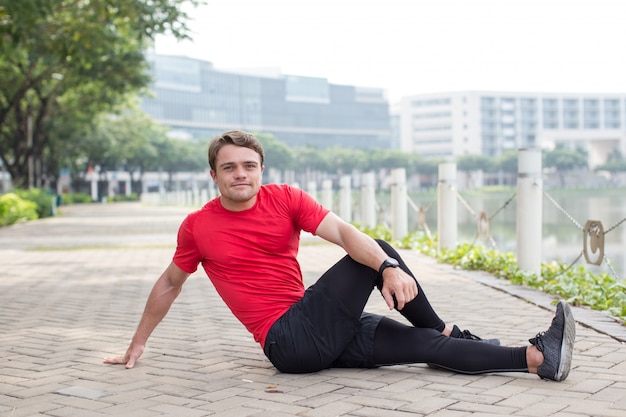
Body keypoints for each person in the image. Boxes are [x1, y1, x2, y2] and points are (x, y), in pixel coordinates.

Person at [104, 130, 576, 382]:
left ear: (261, 169)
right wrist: (138, 343)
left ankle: (536, 359)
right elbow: (169, 283)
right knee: (377, 256)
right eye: (229, 167)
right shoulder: (197, 226)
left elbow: (344, 232)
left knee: (424, 346)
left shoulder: (285, 197)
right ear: (214, 174)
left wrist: (386, 268)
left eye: (249, 165)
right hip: (287, 341)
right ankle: (444, 325)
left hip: (320, 325)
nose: (240, 174)